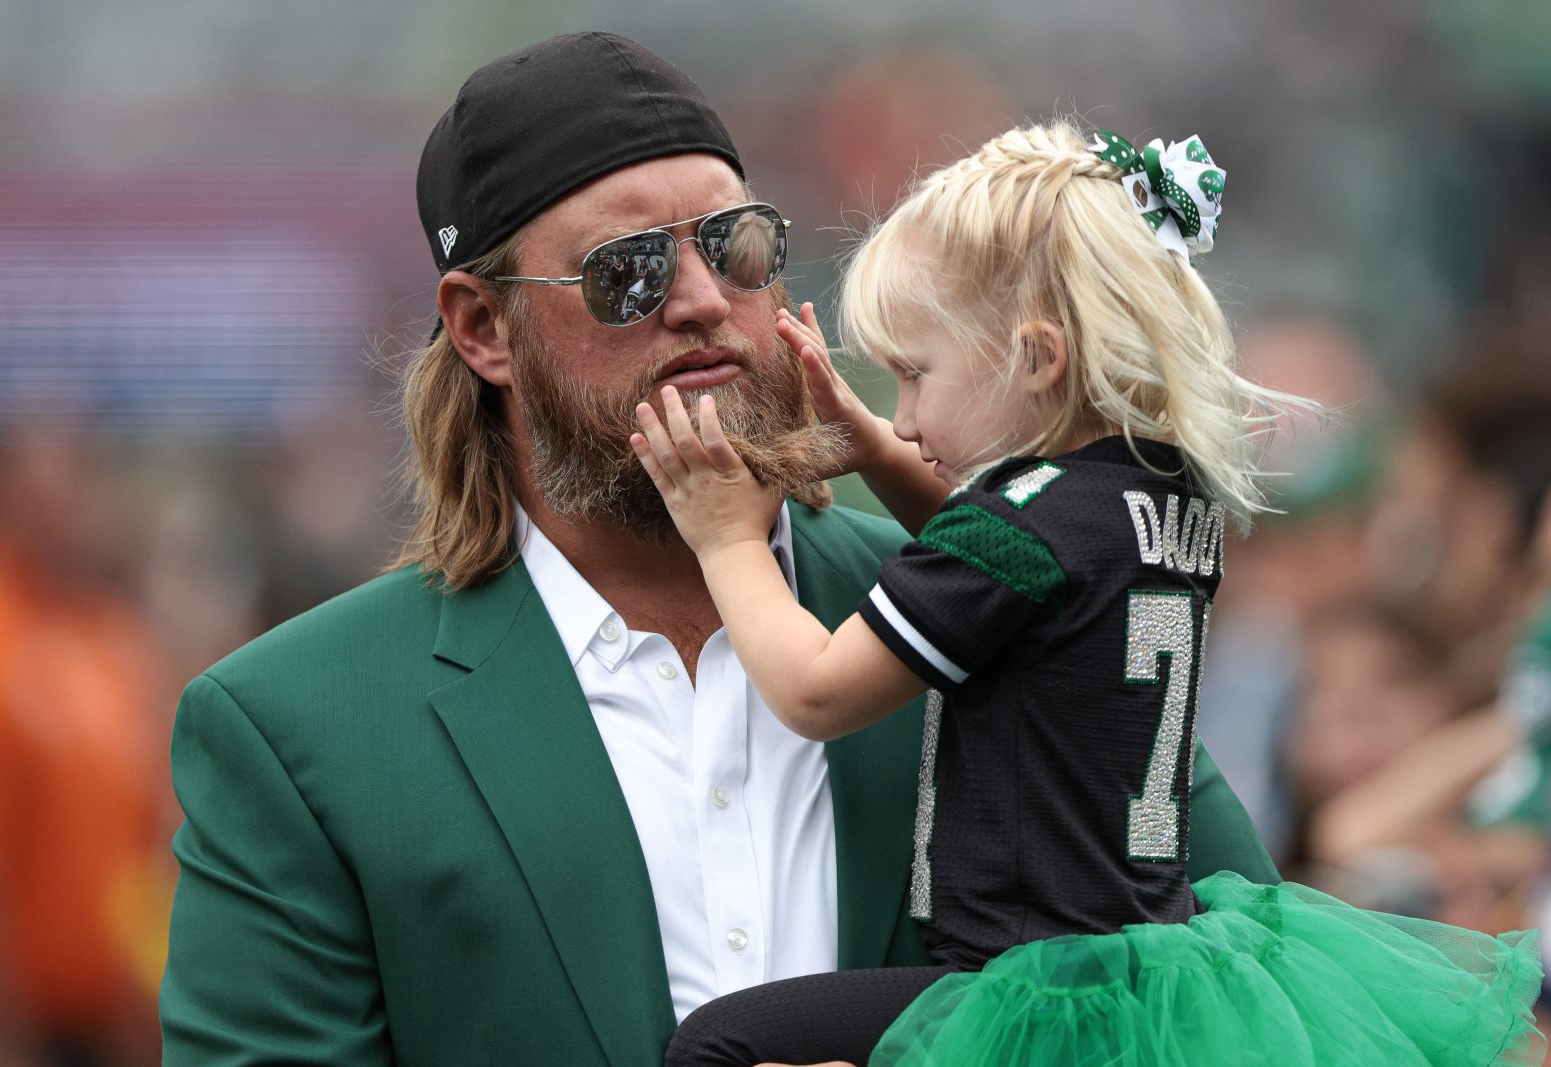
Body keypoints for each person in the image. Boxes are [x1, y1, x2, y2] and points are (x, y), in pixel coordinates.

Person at [160, 35, 1280, 1066]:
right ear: (484, 328)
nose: (702, 300)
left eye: (736, 247)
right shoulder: (296, 729)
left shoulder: (1009, 590)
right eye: (627, 271)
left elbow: (1248, 1001)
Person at [638, 122, 1545, 1065]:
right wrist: (871, 447)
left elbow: (817, 692)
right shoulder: (1154, 492)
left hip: (1035, 987)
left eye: (915, 375)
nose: (903, 418)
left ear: (1037, 358)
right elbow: (1006, 564)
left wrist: (726, 536)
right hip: (1156, 966)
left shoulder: (1024, 528)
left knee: (716, 1044)